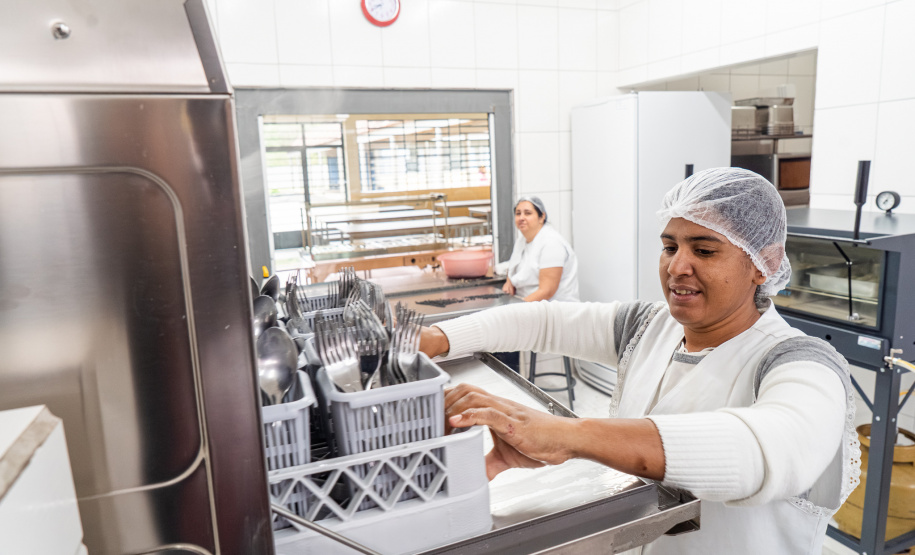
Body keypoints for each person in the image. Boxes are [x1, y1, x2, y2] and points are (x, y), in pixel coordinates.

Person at [420, 168, 859, 554]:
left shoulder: (799, 362)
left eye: (704, 251)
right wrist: (437, 338)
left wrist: (570, 435)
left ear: (765, 264)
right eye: (670, 246)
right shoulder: (651, 327)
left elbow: (768, 450)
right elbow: (543, 321)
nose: (677, 266)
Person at [503, 196, 579, 302]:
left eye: (528, 213)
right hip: (531, 306)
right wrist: (509, 281)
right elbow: (514, 265)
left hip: (555, 312)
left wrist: (517, 309)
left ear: (542, 217)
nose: (521, 218)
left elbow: (546, 291)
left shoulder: (552, 243)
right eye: (518, 213)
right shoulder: (522, 240)